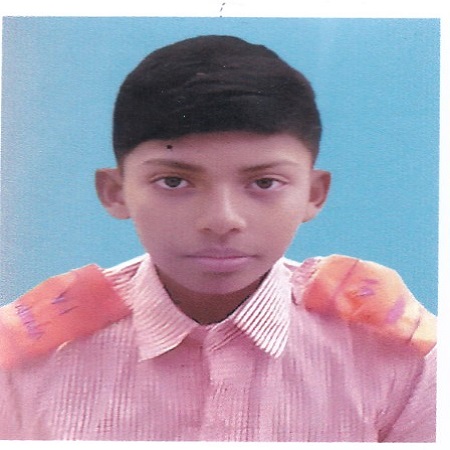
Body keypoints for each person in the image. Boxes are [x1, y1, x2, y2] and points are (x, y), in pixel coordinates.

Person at [0, 35, 436, 442]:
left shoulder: (404, 360)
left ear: (313, 194)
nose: (222, 220)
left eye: (264, 183)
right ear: (115, 192)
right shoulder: (21, 358)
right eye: (174, 181)